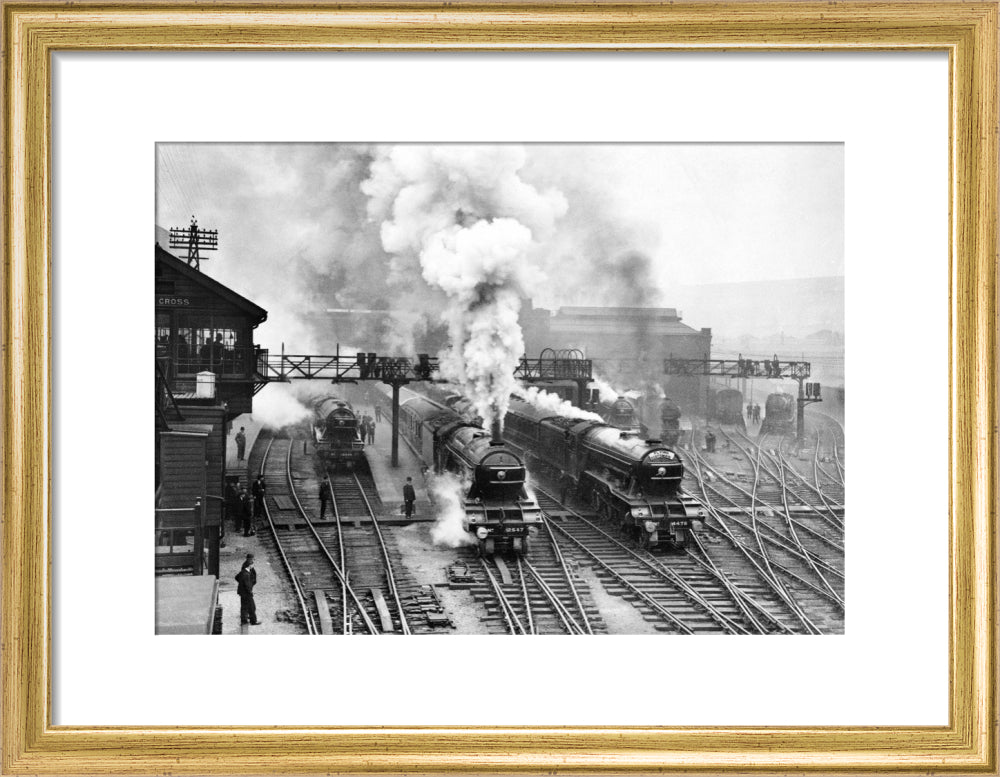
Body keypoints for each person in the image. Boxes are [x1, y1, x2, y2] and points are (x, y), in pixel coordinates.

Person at [236, 554, 261, 626]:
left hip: (242, 592)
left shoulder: (243, 571)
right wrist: (249, 590)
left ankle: (244, 620)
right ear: (249, 565)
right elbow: (247, 585)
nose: (253, 564)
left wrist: (241, 584)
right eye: (252, 562)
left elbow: (237, 577)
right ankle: (253, 621)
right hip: (247, 593)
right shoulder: (246, 574)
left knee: (244, 606)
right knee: (252, 607)